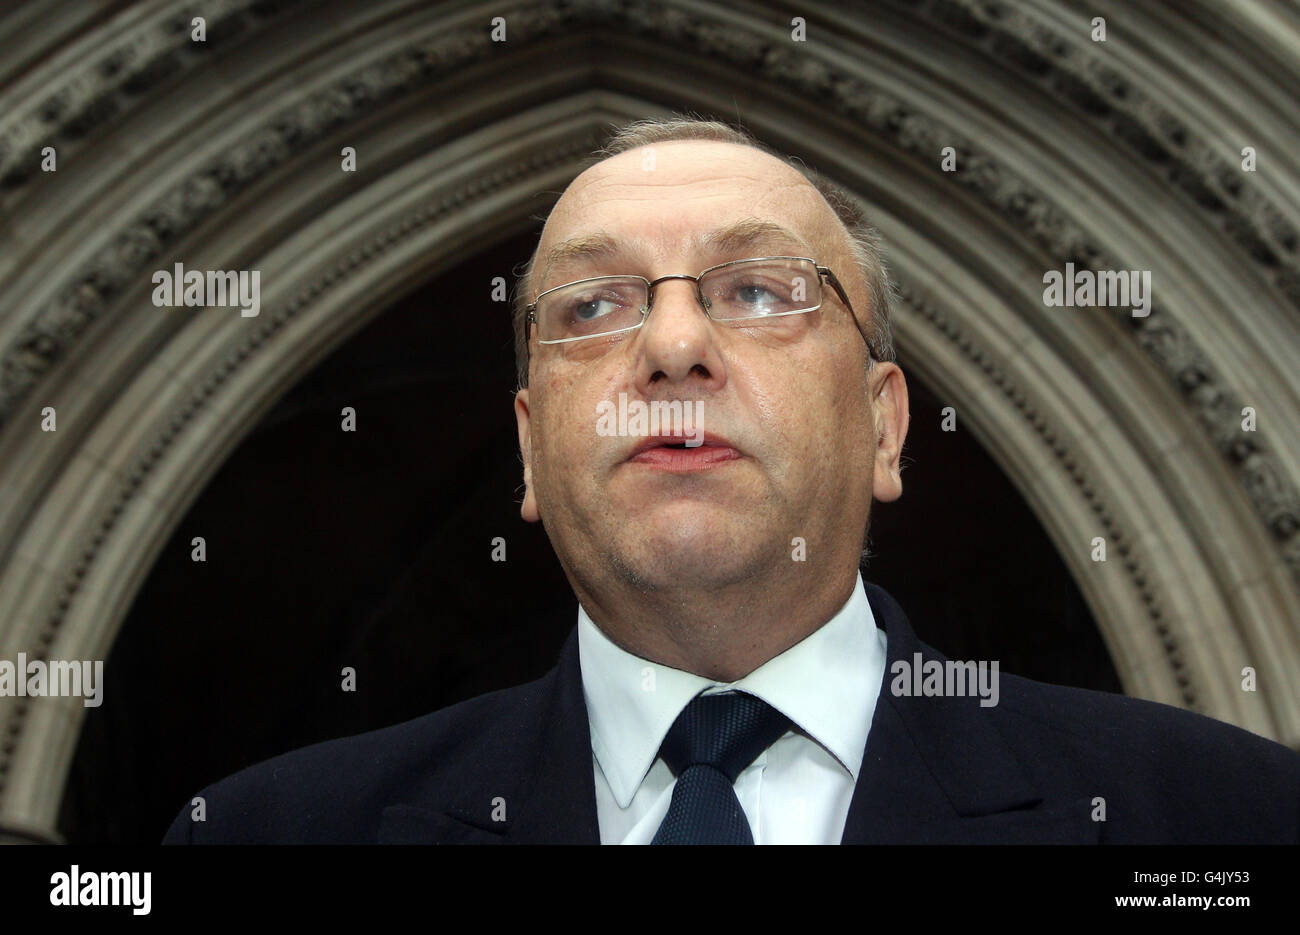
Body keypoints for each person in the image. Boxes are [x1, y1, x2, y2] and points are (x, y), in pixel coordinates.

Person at [163, 116, 1300, 844]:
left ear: (883, 424)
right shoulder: (268, 834)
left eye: (757, 290)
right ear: (528, 449)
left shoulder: (1226, 822)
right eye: (591, 305)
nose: (669, 343)